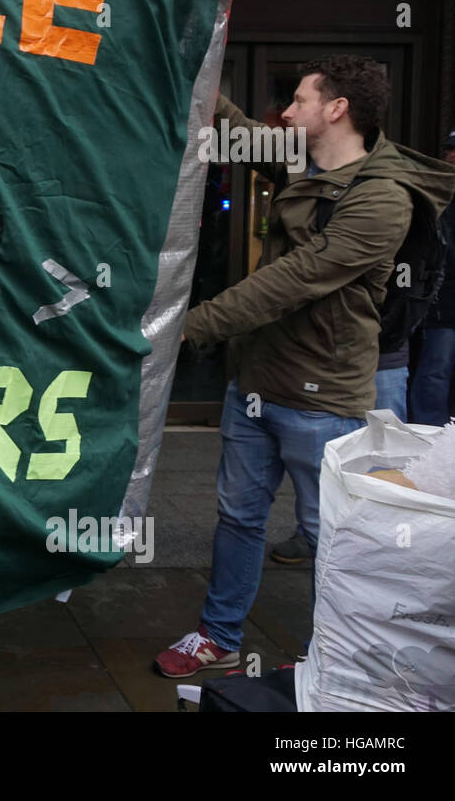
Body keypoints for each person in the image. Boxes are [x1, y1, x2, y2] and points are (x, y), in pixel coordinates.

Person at [156, 55, 455, 678]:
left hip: (323, 400)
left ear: (336, 109)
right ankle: (220, 636)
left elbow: (295, 279)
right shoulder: (304, 161)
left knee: (334, 539)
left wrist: (191, 325)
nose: (286, 112)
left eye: (298, 101)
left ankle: (333, 658)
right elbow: (239, 130)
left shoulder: (383, 199)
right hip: (256, 387)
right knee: (238, 518)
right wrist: (200, 63)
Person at [407, 131, 455, 426]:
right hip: (443, 301)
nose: (451, 155)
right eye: (448, 149)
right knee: (435, 371)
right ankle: (428, 435)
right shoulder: (438, 194)